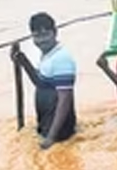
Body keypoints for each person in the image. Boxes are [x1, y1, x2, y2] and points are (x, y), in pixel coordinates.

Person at [9, 13, 77, 149]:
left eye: (46, 35)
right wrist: (21, 60)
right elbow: (40, 83)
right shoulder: (46, 55)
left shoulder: (61, 59)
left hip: (58, 130)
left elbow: (65, 99)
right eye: (37, 36)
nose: (42, 40)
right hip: (46, 123)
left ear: (55, 33)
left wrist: (51, 138)